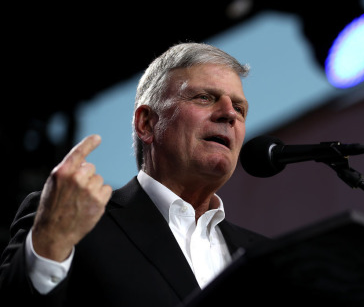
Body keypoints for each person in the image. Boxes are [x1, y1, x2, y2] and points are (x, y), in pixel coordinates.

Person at [0, 42, 269, 306]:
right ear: (147, 123)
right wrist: (50, 243)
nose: (229, 114)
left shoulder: (265, 255)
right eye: (204, 98)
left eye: (239, 108)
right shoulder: (70, 219)